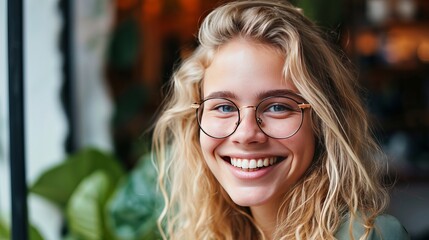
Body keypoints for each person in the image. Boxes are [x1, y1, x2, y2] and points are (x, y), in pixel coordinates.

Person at [152, 0, 410, 239]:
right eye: (223, 107)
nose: (246, 133)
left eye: (277, 107)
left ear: (321, 121)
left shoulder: (367, 235)